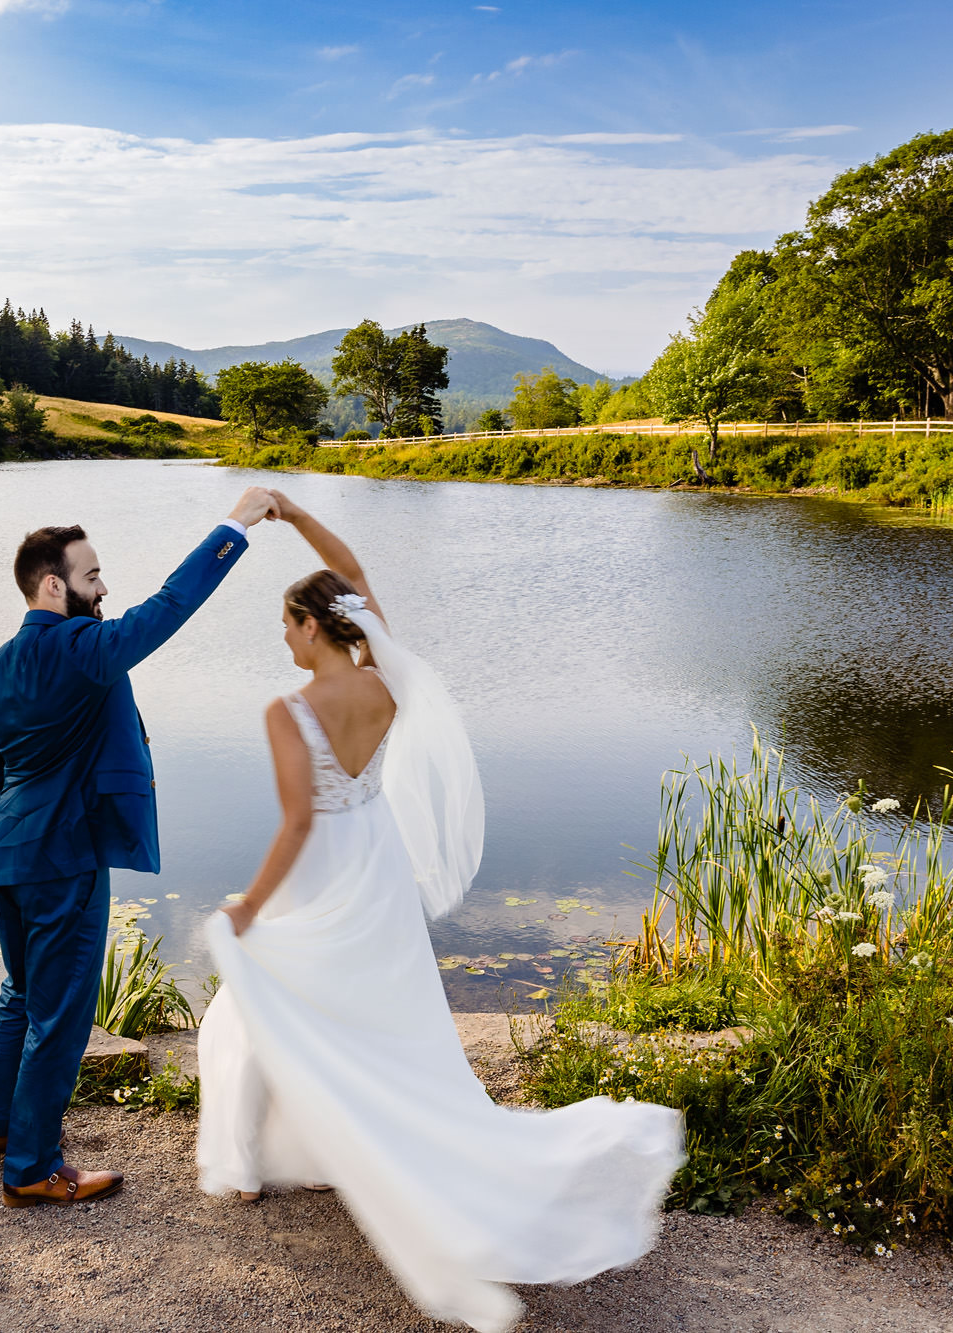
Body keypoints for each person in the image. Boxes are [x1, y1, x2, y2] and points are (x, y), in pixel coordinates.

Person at [198, 490, 685, 1333]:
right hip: (376, 862)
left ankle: (243, 1167)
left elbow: (298, 822)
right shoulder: (384, 684)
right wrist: (294, 515)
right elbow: (353, 573)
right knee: (374, 1010)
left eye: (287, 624)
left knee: (254, 1002)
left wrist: (249, 904)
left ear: (314, 628)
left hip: (318, 869)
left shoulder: (289, 710)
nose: (282, 639)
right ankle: (325, 1155)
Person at [0, 487, 280, 1207]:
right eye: (91, 575)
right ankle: (31, 1167)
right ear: (54, 585)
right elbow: (169, 607)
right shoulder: (85, 650)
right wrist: (234, 525)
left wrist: (24, 824)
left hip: (8, 849)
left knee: (21, 993)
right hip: (64, 856)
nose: (104, 587)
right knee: (63, 1011)